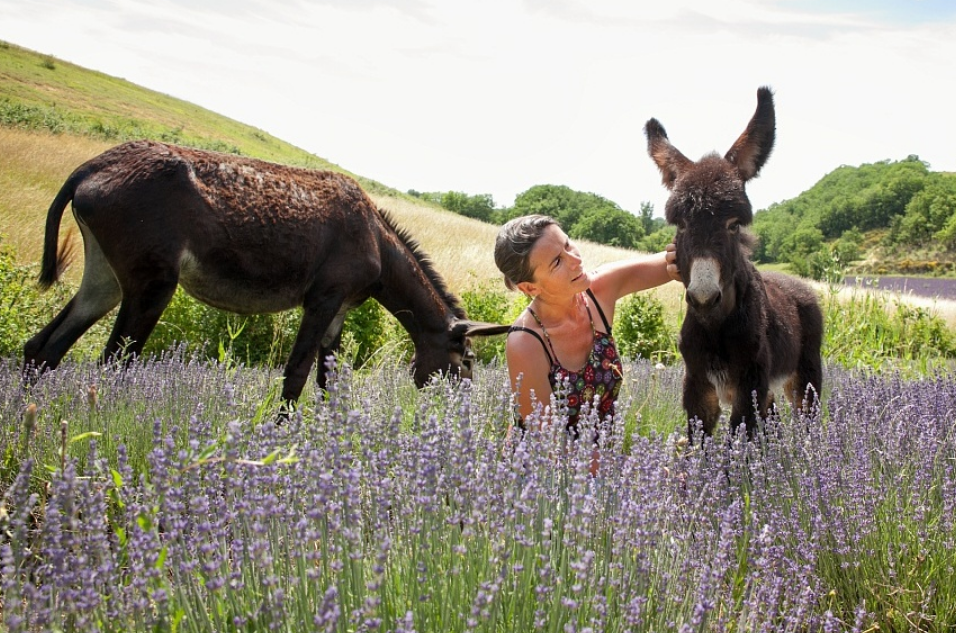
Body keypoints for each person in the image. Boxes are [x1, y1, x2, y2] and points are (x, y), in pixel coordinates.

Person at [494, 214, 680, 466]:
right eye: (557, 262)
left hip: (604, 464)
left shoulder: (598, 290)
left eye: (568, 244)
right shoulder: (525, 341)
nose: (575, 260)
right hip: (540, 475)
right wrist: (635, 469)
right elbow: (548, 444)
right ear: (530, 288)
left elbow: (670, 263)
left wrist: (694, 247)